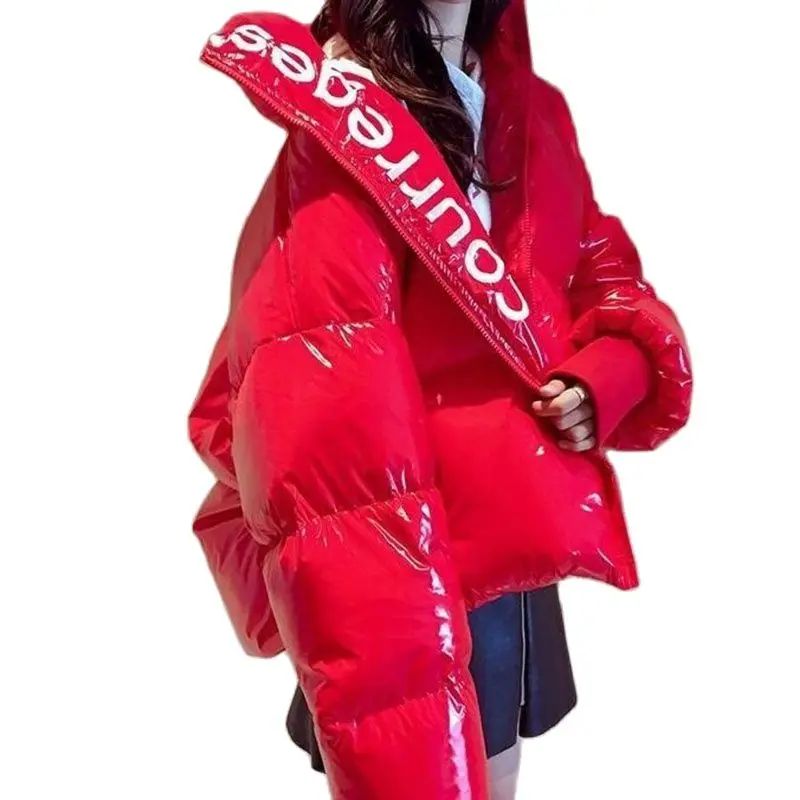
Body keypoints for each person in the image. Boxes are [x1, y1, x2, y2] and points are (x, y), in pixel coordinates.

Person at [188, 1, 693, 798]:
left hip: (515, 540)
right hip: (409, 560)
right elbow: (329, 420)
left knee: (499, 772)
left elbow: (604, 279)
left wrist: (609, 376)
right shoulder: (343, 118)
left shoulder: (533, 110)